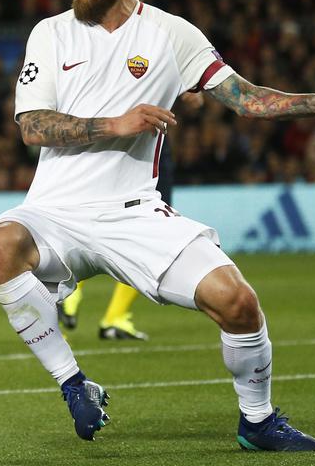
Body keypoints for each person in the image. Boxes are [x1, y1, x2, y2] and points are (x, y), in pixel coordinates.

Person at [0, 0, 315, 449]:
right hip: (54, 214)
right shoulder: (51, 32)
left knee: (238, 302)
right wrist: (115, 124)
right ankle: (74, 384)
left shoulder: (172, 34)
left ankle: (257, 421)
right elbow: (33, 126)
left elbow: (242, 95)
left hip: (133, 213)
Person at [59, 90, 205, 340]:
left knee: (98, 215)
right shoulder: (160, 50)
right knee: (148, 231)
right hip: (145, 138)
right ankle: (114, 316)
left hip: (105, 133)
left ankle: (73, 294)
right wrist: (190, 88)